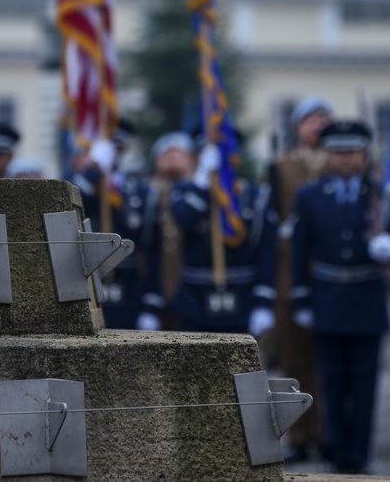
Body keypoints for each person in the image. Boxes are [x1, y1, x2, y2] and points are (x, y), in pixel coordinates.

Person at [289, 119, 390, 475]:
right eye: (338, 152)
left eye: (352, 152)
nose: (345, 159)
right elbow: (299, 250)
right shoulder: (309, 195)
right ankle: (335, 449)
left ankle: (360, 452)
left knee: (365, 381)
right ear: (327, 154)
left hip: (367, 295)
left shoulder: (382, 194)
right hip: (328, 295)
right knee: (332, 379)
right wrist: (301, 298)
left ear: (364, 154)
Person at [144, 134, 277, 335]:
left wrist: (263, 301)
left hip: (243, 296)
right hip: (195, 298)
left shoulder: (254, 195)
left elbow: (266, 251)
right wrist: (202, 182)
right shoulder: (185, 190)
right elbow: (184, 219)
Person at [269, 96, 332, 461]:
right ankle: (299, 435)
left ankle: (326, 431)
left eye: (324, 118)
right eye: (311, 119)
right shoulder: (282, 166)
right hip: (288, 273)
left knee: (328, 363)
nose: (318, 125)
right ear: (298, 127)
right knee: (295, 361)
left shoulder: (340, 164)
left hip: (327, 273)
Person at [68, 120, 151, 329]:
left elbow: (146, 241)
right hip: (87, 277)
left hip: (128, 281)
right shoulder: (77, 183)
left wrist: (152, 304)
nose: (114, 153)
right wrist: (92, 171)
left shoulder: (135, 188)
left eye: (118, 147)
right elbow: (73, 205)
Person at [136, 132, 197, 331]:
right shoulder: (143, 193)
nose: (172, 157)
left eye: (179, 153)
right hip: (152, 282)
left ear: (191, 160)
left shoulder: (201, 191)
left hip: (193, 288)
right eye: (166, 154)